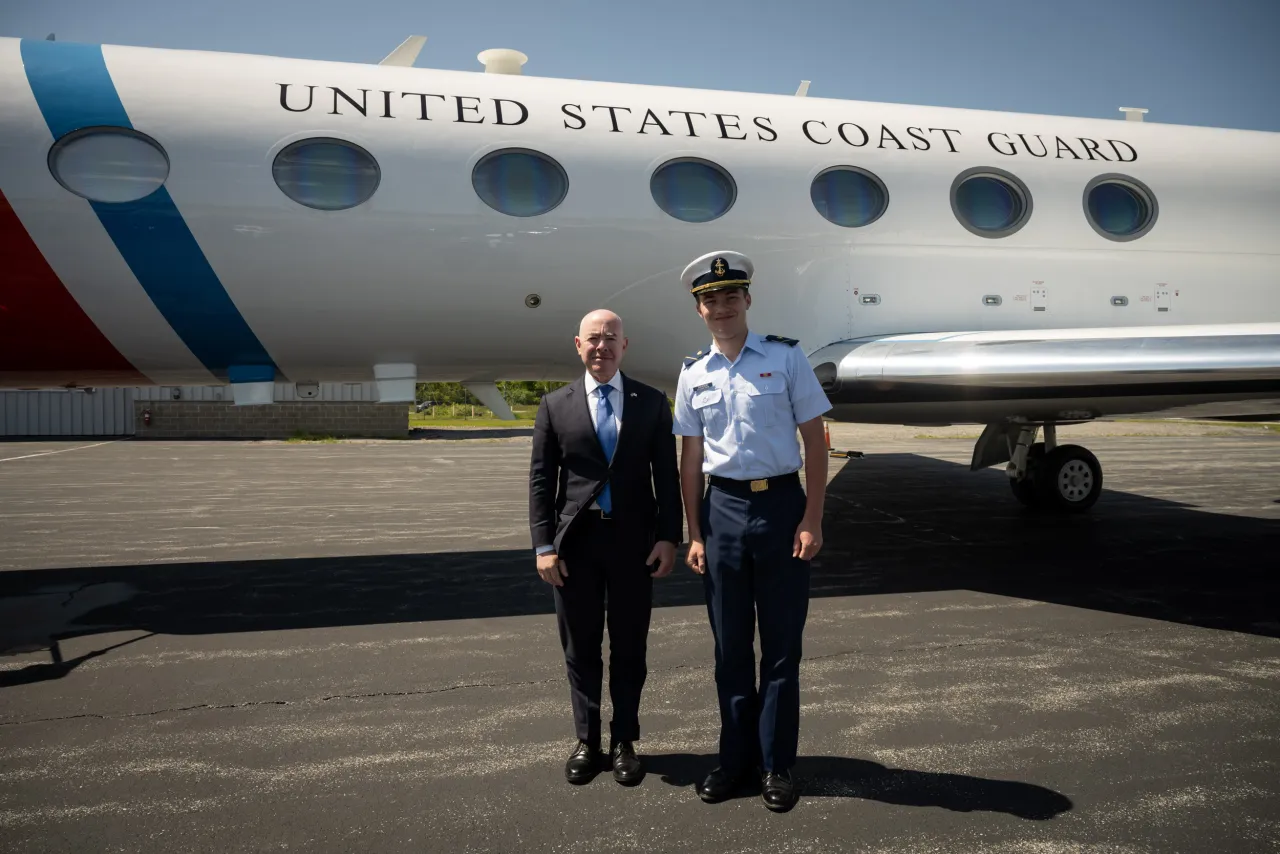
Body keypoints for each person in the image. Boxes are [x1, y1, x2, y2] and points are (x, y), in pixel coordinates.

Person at [672, 251, 832, 812]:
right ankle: (735, 760)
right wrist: (694, 532)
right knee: (730, 648)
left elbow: (815, 440)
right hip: (723, 515)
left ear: (747, 300)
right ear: (699, 309)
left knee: (783, 648)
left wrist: (812, 517)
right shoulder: (693, 372)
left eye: (730, 296)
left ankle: (777, 765)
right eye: (710, 300)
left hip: (783, 507)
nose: (721, 307)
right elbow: (690, 459)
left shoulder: (787, 358)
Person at [529, 309, 683, 785]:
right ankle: (587, 740)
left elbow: (666, 476)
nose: (602, 346)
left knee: (630, 645)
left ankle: (624, 741)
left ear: (625, 345)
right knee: (581, 647)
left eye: (610, 338)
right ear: (578, 344)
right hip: (575, 545)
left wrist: (668, 537)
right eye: (593, 339)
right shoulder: (555, 406)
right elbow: (540, 481)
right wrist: (543, 545)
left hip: (633, 543)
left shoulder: (653, 403)